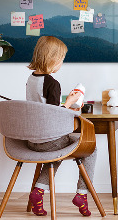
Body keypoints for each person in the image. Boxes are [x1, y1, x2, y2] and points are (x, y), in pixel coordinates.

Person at [26, 36, 96, 217]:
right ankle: (82, 194)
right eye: (61, 59)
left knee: (56, 151)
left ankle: (38, 192)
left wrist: (65, 103)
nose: (61, 63)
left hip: (32, 140)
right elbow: (54, 115)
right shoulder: (52, 83)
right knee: (91, 148)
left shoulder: (31, 79)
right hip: (49, 140)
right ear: (53, 59)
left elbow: (43, 108)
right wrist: (71, 102)